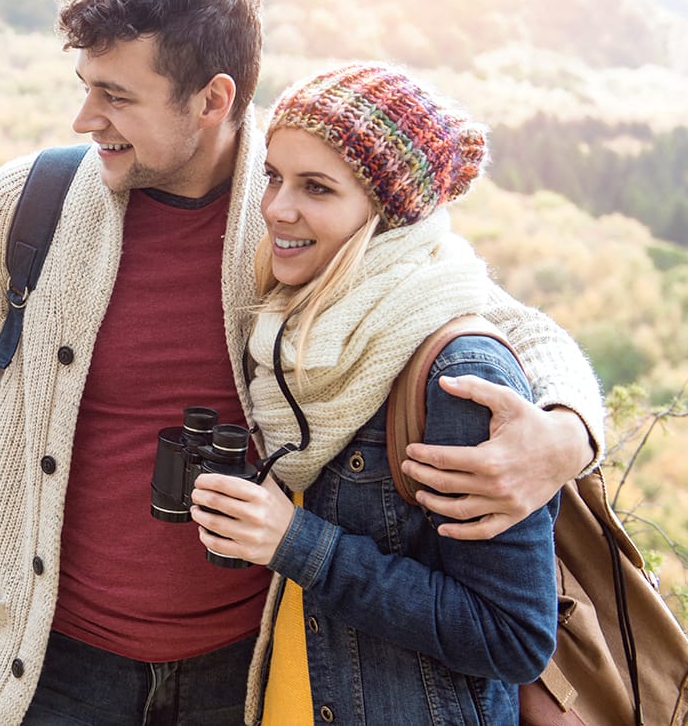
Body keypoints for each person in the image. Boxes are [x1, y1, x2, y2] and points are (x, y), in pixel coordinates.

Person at [0, 0, 603, 726]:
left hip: (248, 670)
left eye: (117, 96)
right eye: (85, 88)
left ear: (211, 99)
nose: (85, 118)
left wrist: (567, 435)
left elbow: (506, 325)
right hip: (55, 664)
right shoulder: (26, 206)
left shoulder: (300, 210)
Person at [189, 61, 558, 723]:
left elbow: (514, 636)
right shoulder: (295, 331)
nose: (277, 208)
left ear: (387, 214)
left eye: (318, 188)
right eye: (273, 177)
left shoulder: (456, 374)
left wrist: (294, 541)